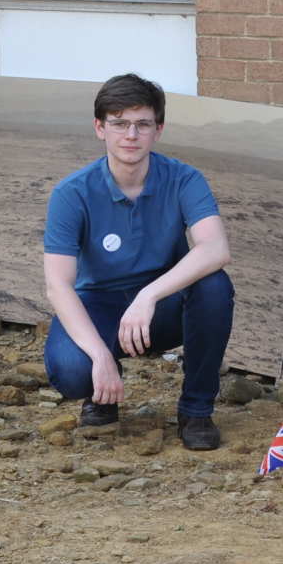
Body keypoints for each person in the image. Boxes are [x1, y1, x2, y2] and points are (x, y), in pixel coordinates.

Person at [42, 74, 234, 451]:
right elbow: (58, 285)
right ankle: (101, 393)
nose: (131, 135)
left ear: (158, 129)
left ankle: (196, 410)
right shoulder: (71, 193)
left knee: (214, 285)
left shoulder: (183, 179)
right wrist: (100, 355)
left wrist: (148, 296)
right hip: (101, 304)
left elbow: (216, 249)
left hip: (162, 306)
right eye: (119, 123)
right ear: (100, 128)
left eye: (142, 124)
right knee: (72, 373)